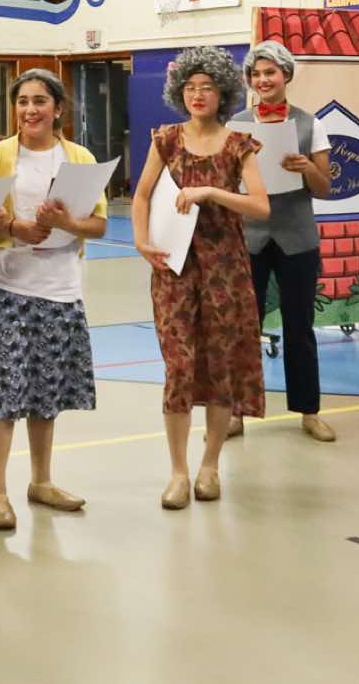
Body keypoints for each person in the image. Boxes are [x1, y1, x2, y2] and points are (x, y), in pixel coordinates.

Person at [132, 46, 270, 509]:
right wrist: (140, 240)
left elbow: (260, 205)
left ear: (222, 93)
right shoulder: (166, 140)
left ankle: (210, 465)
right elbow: (141, 195)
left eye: (207, 87)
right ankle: (178, 470)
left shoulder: (239, 145)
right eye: (190, 87)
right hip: (174, 267)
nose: (198, 94)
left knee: (220, 365)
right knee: (178, 367)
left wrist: (212, 191)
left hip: (225, 269)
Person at [0, 69, 108, 530]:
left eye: (40, 101)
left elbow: (98, 224)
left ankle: (41, 481)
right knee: (4, 392)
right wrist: (14, 226)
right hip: (8, 287)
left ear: (58, 109)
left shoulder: (79, 158)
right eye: (23, 101)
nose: (30, 110)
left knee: (47, 392)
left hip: (61, 290)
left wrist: (68, 224)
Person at [230, 41, 336, 442]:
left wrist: (307, 167)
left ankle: (309, 411)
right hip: (249, 236)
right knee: (243, 328)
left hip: (297, 236)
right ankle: (236, 413)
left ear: (286, 75)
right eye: (256, 74)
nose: (263, 80)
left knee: (299, 327)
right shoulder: (236, 125)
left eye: (270, 72)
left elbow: (324, 189)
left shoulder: (311, 124)